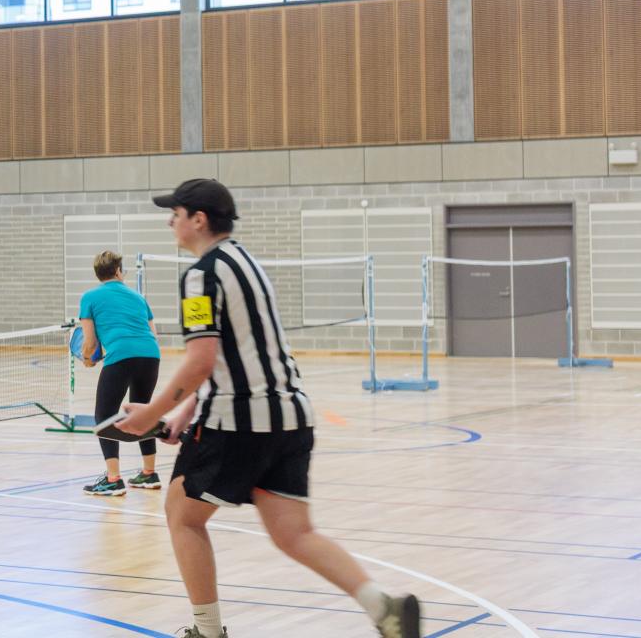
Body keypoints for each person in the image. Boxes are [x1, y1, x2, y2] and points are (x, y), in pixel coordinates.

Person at [114, 179, 420, 638]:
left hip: (239, 424)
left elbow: (200, 360)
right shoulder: (251, 265)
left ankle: (207, 631)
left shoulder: (200, 276)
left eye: (175, 213)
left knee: (181, 515)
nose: (169, 221)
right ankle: (384, 608)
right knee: (294, 532)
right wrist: (182, 413)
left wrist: (148, 413)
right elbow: (235, 352)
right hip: (292, 418)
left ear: (198, 219)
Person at [77, 250, 162, 497]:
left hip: (121, 356)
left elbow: (90, 343)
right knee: (143, 410)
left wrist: (87, 359)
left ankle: (113, 479)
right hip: (150, 354)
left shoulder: (89, 298)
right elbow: (153, 334)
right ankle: (149, 473)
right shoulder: (138, 298)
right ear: (117, 271)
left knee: (104, 415)